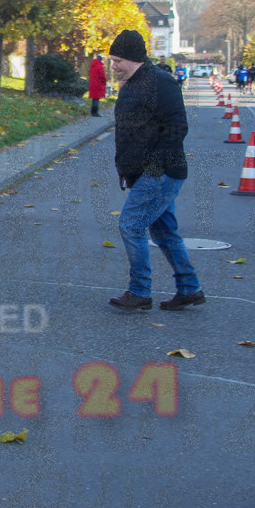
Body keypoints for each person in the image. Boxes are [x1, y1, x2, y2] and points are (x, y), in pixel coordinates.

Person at [105, 29, 205, 312]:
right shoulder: (133, 83)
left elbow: (177, 127)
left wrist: (154, 167)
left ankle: (139, 291)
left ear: (133, 58)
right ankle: (190, 288)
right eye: (112, 60)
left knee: (131, 224)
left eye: (117, 60)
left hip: (160, 172)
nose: (113, 66)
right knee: (164, 233)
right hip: (145, 173)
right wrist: (127, 170)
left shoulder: (161, 82)